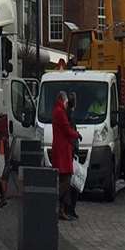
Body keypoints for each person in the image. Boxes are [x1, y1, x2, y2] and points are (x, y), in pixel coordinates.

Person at [50, 90, 80, 220]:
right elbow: (67, 129)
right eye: (66, 101)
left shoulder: (58, 111)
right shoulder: (60, 112)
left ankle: (61, 210)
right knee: (66, 180)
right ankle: (53, 201)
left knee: (64, 179)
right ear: (63, 100)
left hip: (61, 149)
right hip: (63, 150)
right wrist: (77, 134)